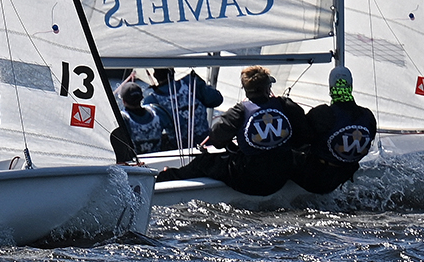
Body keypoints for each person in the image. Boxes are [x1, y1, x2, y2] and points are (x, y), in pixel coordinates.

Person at [153, 66, 301, 196]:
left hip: (250, 179)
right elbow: (305, 134)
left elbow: (217, 140)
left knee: (205, 162)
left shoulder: (238, 112)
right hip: (282, 174)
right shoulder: (285, 105)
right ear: (266, 87)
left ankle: (167, 177)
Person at [289, 66, 379, 194]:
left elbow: (298, 140)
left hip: (315, 179)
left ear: (331, 88)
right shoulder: (367, 116)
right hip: (342, 176)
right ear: (351, 86)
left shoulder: (322, 114)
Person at [118, 75, 169, 154]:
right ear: (142, 98)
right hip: (159, 159)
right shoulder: (156, 111)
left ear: (124, 101)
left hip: (137, 164)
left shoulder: (123, 119)